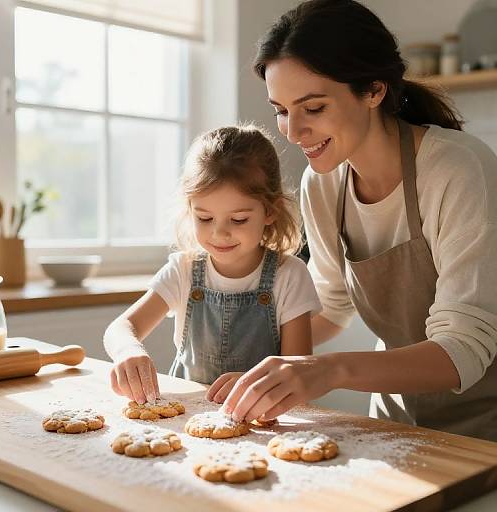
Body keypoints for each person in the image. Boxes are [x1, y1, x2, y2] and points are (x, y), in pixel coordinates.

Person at [223, 0, 497, 441]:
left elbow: (463, 349)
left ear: (373, 90)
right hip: (394, 421)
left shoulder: (457, 169)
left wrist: (327, 370)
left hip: (484, 429)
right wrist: (240, 349)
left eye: (312, 108)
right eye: (280, 109)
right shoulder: (324, 183)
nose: (292, 132)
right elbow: (330, 306)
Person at [103, 124, 321, 405]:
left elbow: (297, 373)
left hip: (264, 418)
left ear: (270, 211)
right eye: (204, 218)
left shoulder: (289, 275)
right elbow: (120, 327)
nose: (219, 233)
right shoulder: (183, 270)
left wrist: (252, 384)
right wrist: (128, 350)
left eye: (238, 219)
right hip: (187, 419)